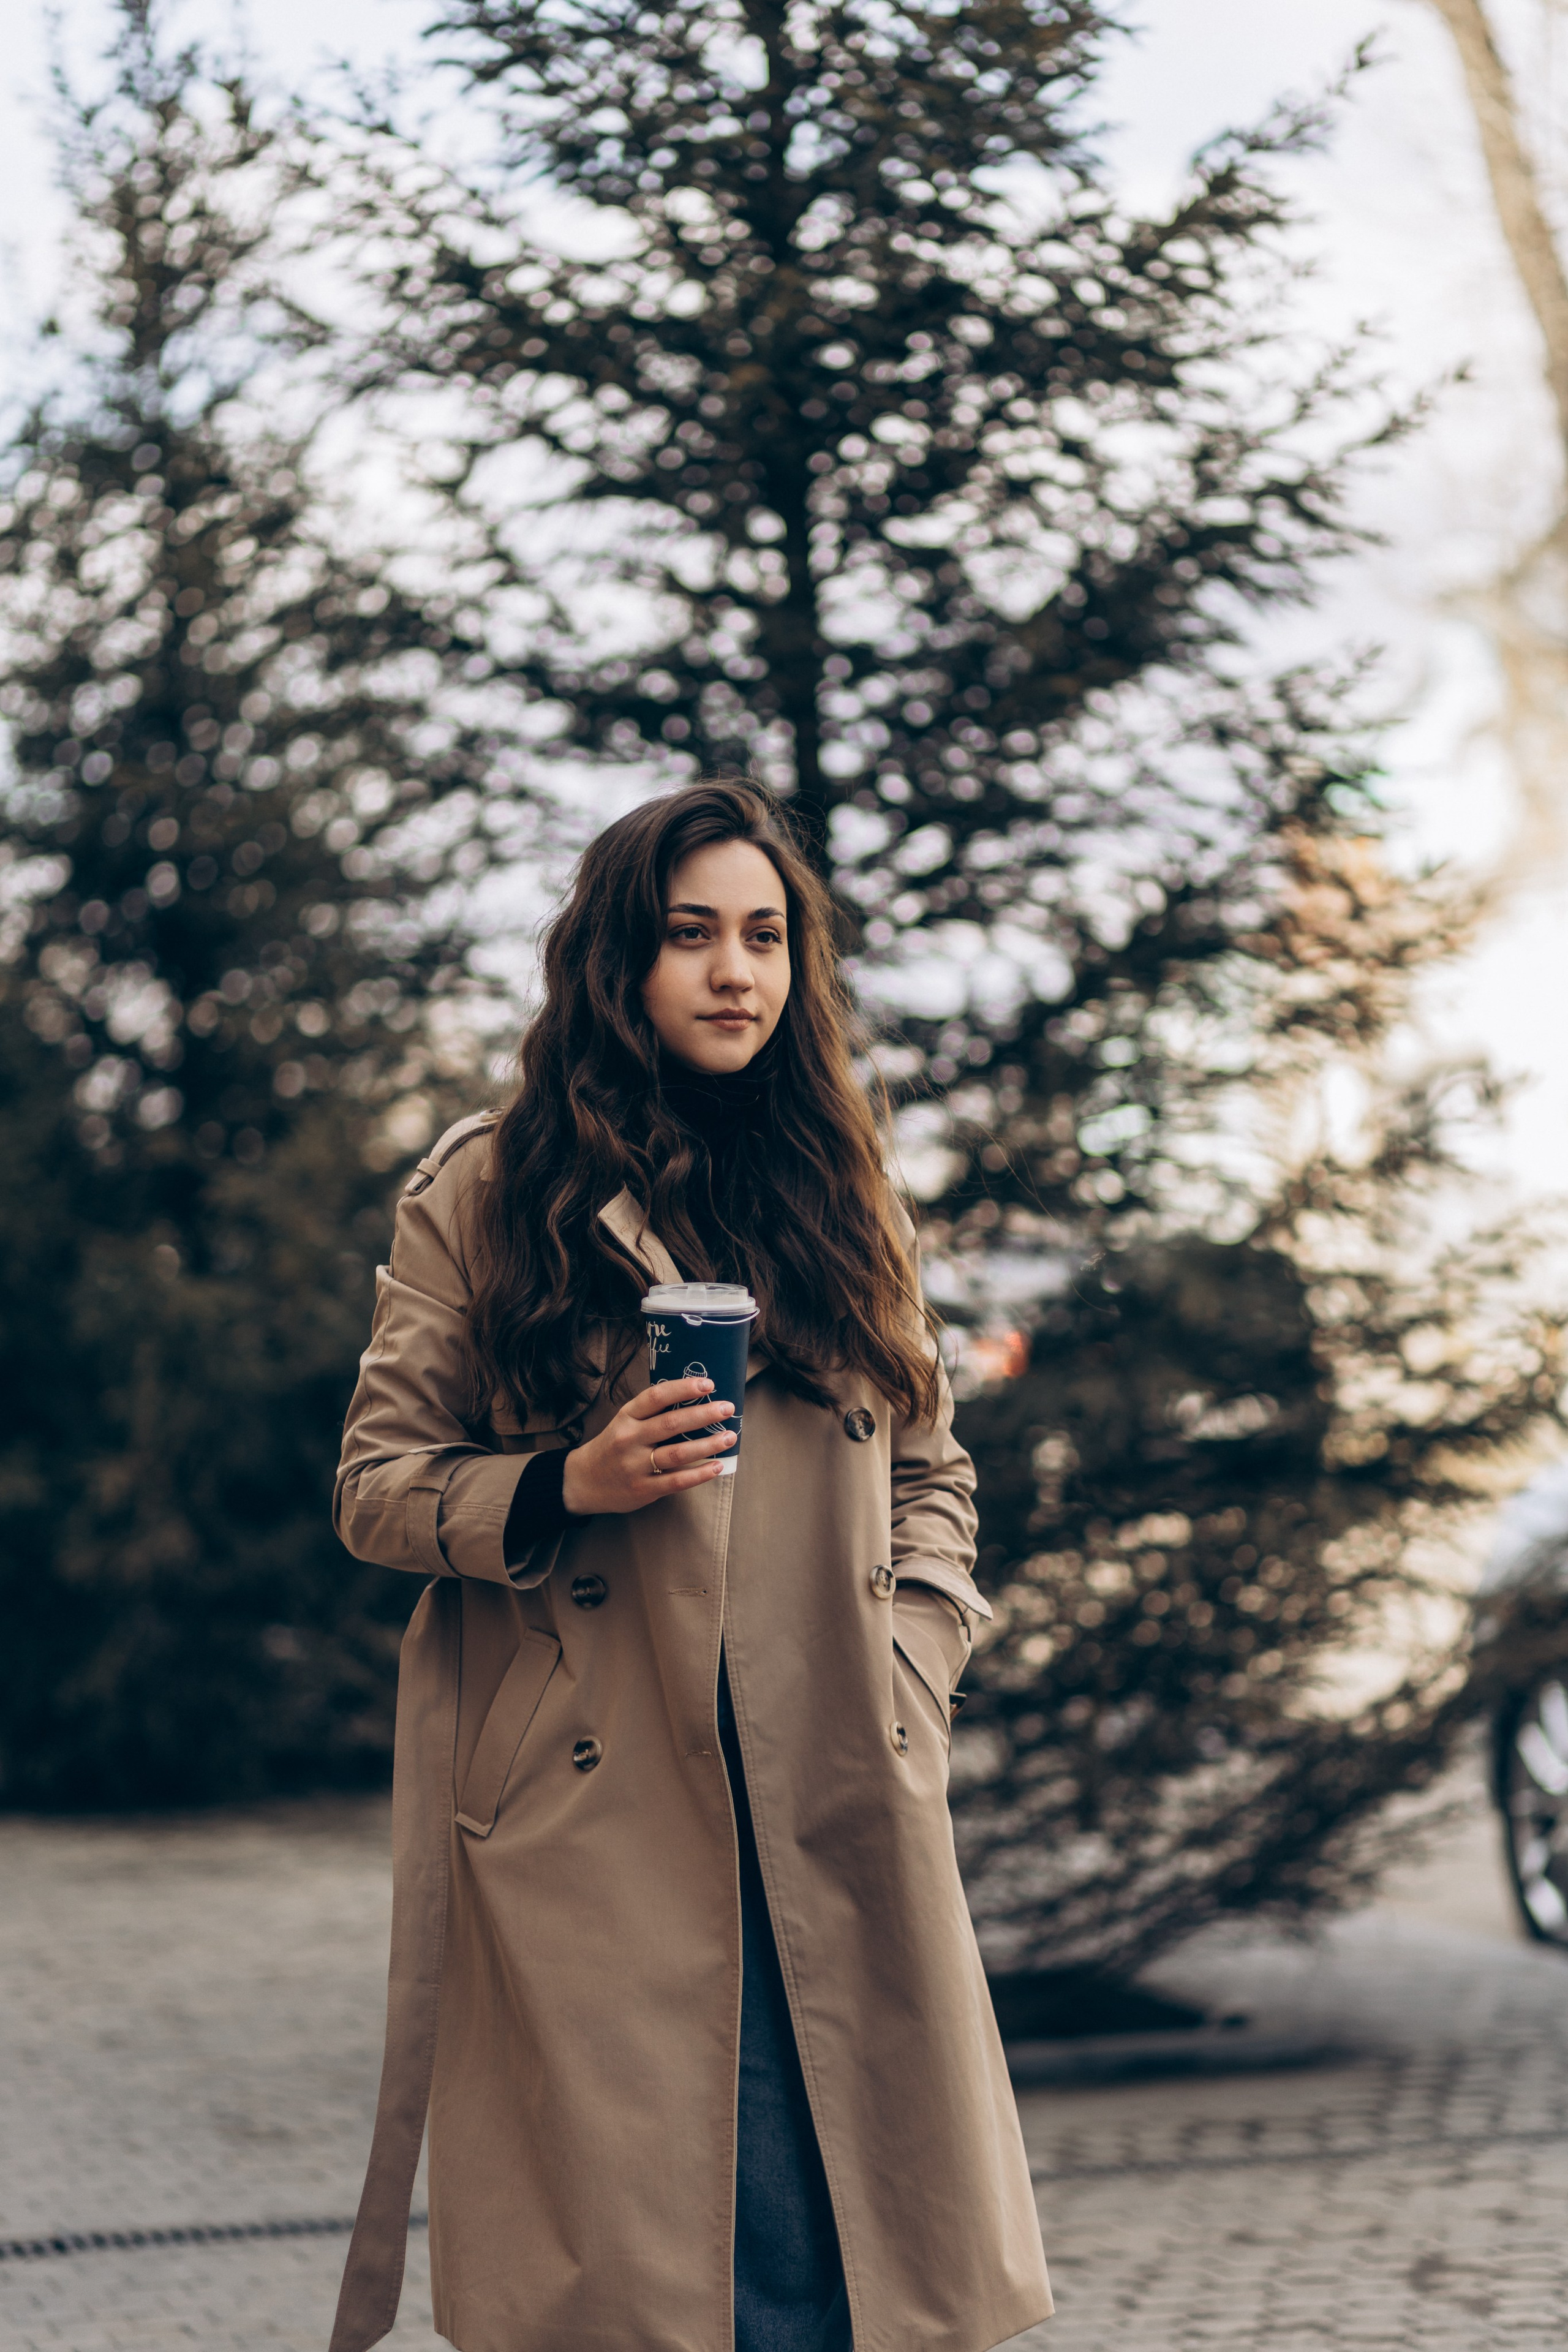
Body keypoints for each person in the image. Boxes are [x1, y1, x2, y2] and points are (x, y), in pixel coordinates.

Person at [327, 778, 1053, 2352]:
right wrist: (564, 1484)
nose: (736, 972)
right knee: (651, 2286)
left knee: (843, 2262)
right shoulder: (488, 1185)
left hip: (836, 1783)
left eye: (766, 937)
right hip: (601, 1813)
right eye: (690, 936)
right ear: (617, 962)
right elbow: (376, 1490)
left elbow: (932, 1471)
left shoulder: (841, 1180)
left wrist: (911, 1665)